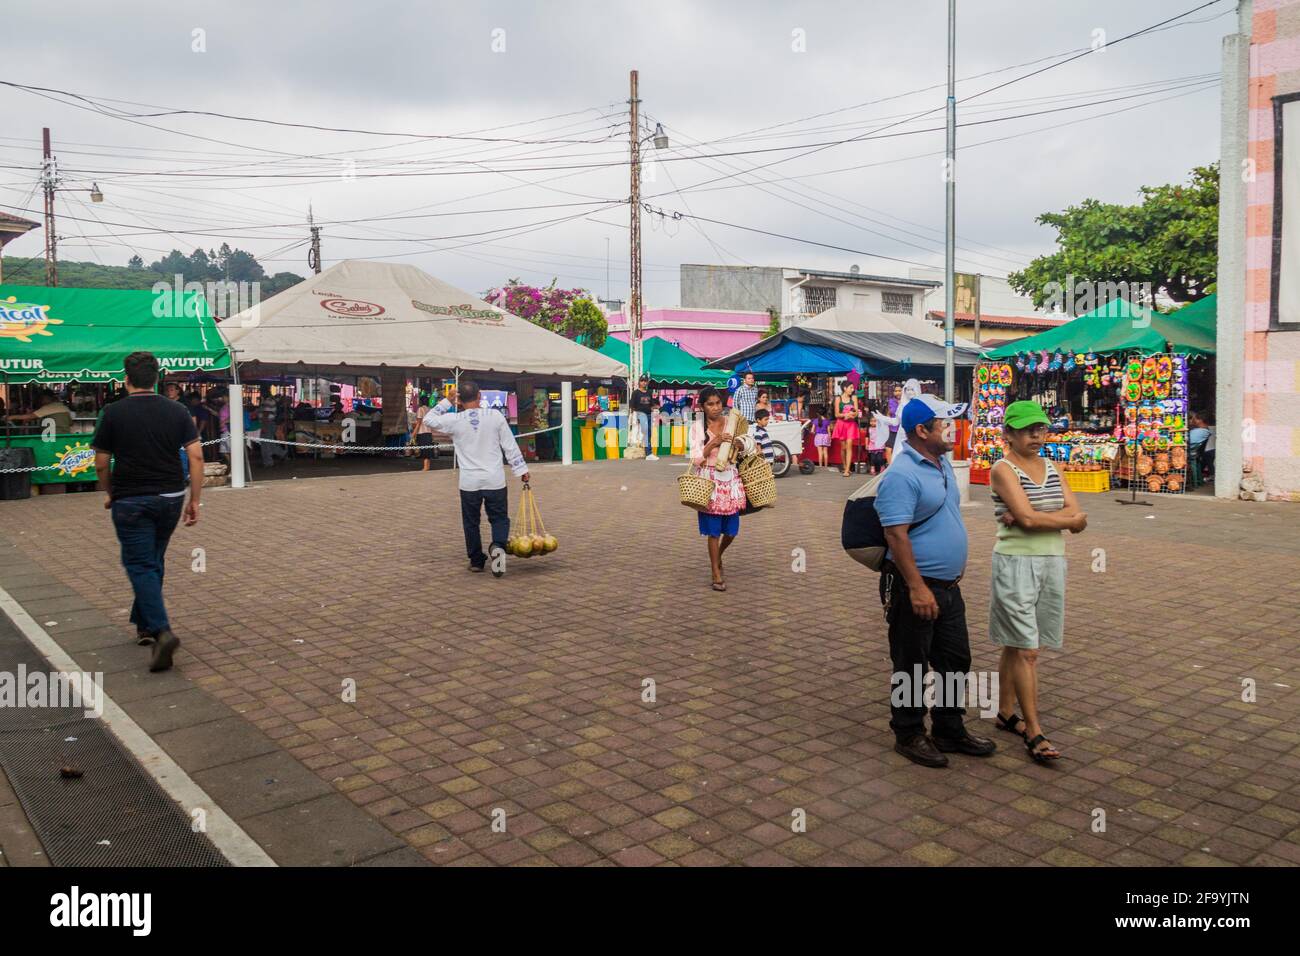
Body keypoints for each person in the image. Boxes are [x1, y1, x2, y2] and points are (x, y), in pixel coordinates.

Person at [875, 393, 991, 768]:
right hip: (918, 587)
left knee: (955, 660)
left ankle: (949, 729)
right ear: (922, 431)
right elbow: (896, 535)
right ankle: (909, 733)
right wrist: (917, 587)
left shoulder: (940, 464)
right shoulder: (901, 474)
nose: (952, 428)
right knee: (911, 662)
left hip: (948, 587)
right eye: (944, 423)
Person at [91, 351, 203, 673]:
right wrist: (195, 499)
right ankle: (144, 624)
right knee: (153, 559)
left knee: (140, 564)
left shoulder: (112, 413)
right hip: (170, 497)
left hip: (131, 500)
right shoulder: (177, 411)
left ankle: (162, 630)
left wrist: (111, 492)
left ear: (126, 379)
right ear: (157, 379)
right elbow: (195, 458)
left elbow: (101, 463)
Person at [989, 401, 1087, 764]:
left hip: (1051, 562)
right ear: (1009, 434)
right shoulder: (1003, 469)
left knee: (1017, 645)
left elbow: (1077, 516)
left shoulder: (1052, 466)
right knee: (1028, 650)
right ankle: (1034, 730)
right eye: (1027, 429)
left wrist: (1034, 515)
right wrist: (1057, 518)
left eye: (1040, 428)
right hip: (1016, 563)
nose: (1035, 435)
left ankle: (1003, 712)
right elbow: (1042, 521)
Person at [423, 380, 529, 577]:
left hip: (469, 482)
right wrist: (521, 469)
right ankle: (498, 546)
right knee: (499, 519)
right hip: (494, 479)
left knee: (471, 522)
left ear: (460, 400)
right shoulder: (495, 416)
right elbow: (509, 445)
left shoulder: (455, 419)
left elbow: (428, 419)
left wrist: (446, 401)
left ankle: (476, 561)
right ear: (480, 396)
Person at [689, 386, 749, 592]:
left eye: (718, 403)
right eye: (710, 404)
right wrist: (714, 442)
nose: (715, 408)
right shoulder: (697, 427)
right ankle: (715, 571)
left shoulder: (732, 423)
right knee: (713, 532)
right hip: (709, 481)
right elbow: (696, 459)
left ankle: (719, 556)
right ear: (703, 407)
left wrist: (739, 444)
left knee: (731, 531)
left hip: (731, 481)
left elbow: (748, 444)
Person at [8, 388, 73, 432]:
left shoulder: (48, 408)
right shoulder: (63, 407)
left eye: (42, 398)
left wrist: (12, 417)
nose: (41, 400)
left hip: (53, 437)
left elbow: (30, 416)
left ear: (47, 398)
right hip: (65, 436)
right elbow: (70, 423)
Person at [832, 380, 860, 477]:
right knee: (843, 447)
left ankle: (847, 470)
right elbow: (836, 414)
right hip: (841, 424)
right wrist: (845, 415)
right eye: (851, 388)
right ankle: (844, 466)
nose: (852, 390)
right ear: (845, 388)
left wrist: (853, 414)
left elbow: (856, 411)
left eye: (853, 388)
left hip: (851, 425)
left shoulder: (854, 398)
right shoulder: (838, 399)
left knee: (849, 445)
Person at [630, 374, 657, 457]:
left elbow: (652, 404)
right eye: (642, 381)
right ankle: (648, 453)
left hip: (649, 414)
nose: (644, 383)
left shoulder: (649, 392)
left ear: (647, 382)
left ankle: (648, 452)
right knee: (646, 431)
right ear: (639, 382)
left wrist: (656, 410)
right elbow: (632, 405)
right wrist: (637, 415)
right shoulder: (635, 393)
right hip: (641, 414)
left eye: (645, 381)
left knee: (649, 433)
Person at [1190, 411, 1215, 480]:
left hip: (1191, 452)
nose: (1193, 420)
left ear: (1200, 420)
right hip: (1196, 452)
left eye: (1194, 419)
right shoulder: (1200, 430)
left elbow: (1188, 442)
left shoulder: (1200, 431)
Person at [411, 403, 436, 471]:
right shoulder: (429, 410)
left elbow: (419, 423)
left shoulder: (420, 409)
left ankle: (425, 467)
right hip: (429, 432)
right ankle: (427, 466)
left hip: (422, 432)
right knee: (428, 450)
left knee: (424, 450)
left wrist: (414, 433)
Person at [865, 401, 888, 474]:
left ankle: (882, 466)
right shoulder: (869, 429)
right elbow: (867, 437)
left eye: (875, 421)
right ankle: (872, 467)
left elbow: (883, 435)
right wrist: (866, 444)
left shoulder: (880, 428)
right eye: (871, 421)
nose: (873, 423)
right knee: (872, 458)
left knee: (879, 458)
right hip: (872, 445)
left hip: (879, 445)